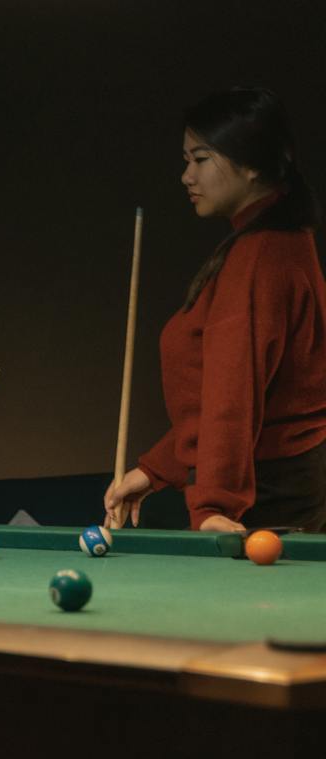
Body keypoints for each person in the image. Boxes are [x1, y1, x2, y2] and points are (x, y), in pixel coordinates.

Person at [106, 87, 326, 532]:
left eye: (200, 159)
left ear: (249, 165)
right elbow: (232, 399)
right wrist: (156, 469)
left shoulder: (260, 254)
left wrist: (213, 505)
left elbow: (234, 395)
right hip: (281, 484)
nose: (187, 176)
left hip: (269, 494)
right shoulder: (280, 241)